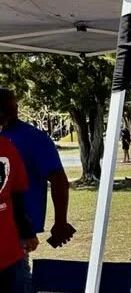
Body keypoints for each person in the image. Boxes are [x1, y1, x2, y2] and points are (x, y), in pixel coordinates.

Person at [0, 89, 75, 258]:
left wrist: (60, 221)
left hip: (17, 230)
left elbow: (58, 179)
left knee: (14, 279)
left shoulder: (32, 137)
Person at [0, 136, 37, 293]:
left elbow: (17, 196)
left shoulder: (6, 147)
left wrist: (27, 232)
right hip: (10, 260)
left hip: (9, 258)